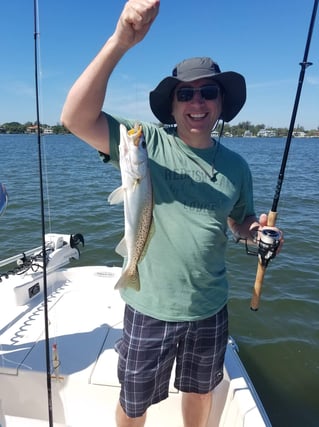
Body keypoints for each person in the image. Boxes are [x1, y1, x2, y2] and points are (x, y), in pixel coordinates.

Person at [61, 1, 283, 426]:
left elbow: (241, 221)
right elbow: (74, 117)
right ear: (174, 102)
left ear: (220, 103)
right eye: (186, 93)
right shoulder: (148, 145)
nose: (197, 102)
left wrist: (258, 233)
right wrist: (120, 41)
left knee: (201, 395)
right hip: (149, 306)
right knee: (134, 402)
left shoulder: (237, 166)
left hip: (209, 307)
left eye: (208, 92)